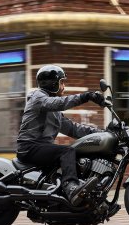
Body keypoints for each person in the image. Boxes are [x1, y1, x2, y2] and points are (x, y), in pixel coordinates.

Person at [16, 64, 106, 206]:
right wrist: (86, 96)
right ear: (52, 83)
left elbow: (74, 129)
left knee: (75, 152)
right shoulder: (38, 98)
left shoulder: (54, 111)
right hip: (30, 147)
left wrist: (103, 133)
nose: (64, 86)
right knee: (67, 151)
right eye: (61, 82)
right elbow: (60, 103)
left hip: (41, 147)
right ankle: (71, 188)